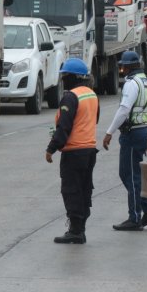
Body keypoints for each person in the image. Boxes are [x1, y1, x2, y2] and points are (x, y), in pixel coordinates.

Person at [102, 51, 147, 231]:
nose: (122, 69)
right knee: (135, 174)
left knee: (130, 175)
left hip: (132, 134)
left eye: (123, 66)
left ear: (128, 67)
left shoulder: (131, 83)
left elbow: (124, 109)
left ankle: (135, 217)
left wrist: (109, 132)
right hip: (143, 132)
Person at [45, 58, 100, 244]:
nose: (62, 80)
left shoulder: (70, 97)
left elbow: (64, 127)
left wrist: (51, 148)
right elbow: (94, 120)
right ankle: (80, 229)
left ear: (72, 77)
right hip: (90, 151)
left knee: (71, 190)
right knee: (84, 189)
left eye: (64, 76)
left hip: (74, 152)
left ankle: (75, 231)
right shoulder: (92, 95)